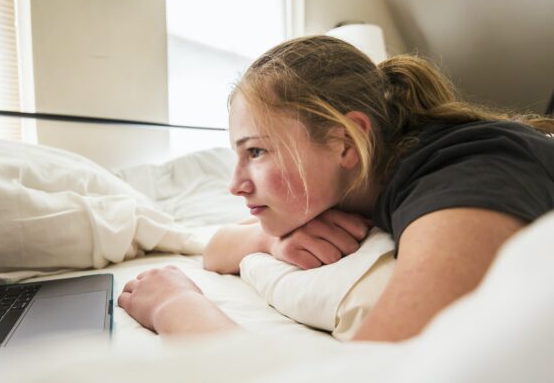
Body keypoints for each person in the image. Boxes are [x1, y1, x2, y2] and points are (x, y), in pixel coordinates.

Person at [118, 35, 554, 341]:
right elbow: (215, 249)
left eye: (256, 152)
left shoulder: (463, 177)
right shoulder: (367, 174)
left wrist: (174, 308)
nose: (235, 185)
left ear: (346, 142)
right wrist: (270, 243)